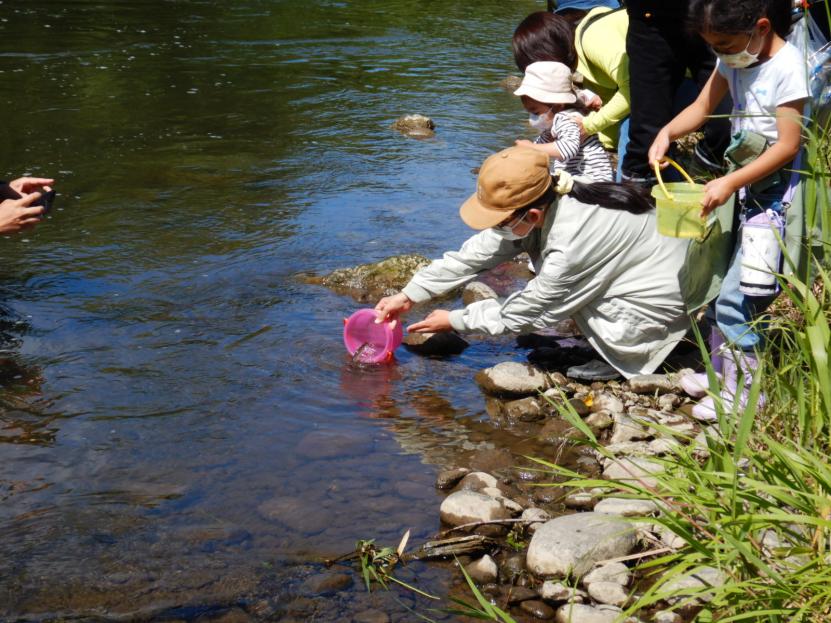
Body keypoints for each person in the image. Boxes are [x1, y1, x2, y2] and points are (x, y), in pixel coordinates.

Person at [374, 146, 692, 379]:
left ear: (533, 214)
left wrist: (456, 320)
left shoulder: (573, 239)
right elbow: (472, 255)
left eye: (499, 221)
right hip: (651, 273)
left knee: (557, 300)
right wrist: (409, 294)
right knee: (559, 295)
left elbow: (531, 308)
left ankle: (639, 355)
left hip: (661, 301)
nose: (495, 229)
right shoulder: (557, 193)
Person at [648, 0, 809, 420]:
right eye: (712, 46)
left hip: (773, 197)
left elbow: (790, 145)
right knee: (720, 284)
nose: (720, 54)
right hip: (739, 185)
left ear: (760, 27)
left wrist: (729, 182)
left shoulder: (788, 67)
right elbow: (702, 109)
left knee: (744, 295)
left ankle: (747, 397)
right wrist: (666, 132)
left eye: (724, 44)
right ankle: (722, 374)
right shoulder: (734, 61)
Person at [620, 1, 733, 185]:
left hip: (713, 12)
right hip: (652, 20)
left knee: (726, 121)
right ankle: (637, 203)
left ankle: (705, 182)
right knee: (647, 139)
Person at [513, 4, 631, 179]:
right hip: (656, 84)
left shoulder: (594, 40)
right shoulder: (581, 61)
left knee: (632, 144)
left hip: (677, 77)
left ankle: (638, 191)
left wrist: (590, 126)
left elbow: (634, 87)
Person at [514, 61, 614, 182]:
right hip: (579, 178)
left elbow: (567, 149)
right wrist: (529, 149)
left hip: (592, 181)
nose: (532, 118)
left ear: (557, 105)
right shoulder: (553, 120)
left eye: (535, 112)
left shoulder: (567, 119)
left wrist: (530, 147)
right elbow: (543, 143)